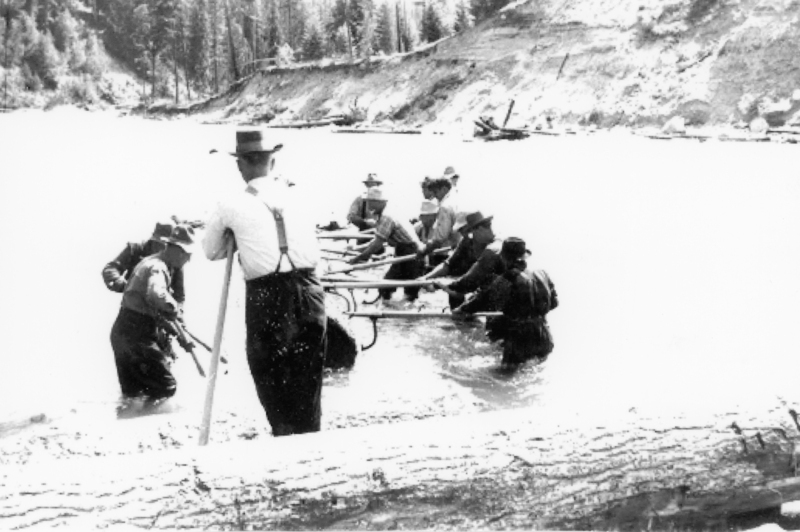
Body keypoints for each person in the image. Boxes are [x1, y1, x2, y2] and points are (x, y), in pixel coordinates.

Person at [203, 129, 327, 437]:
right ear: (273, 162)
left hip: (268, 295)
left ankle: (284, 437)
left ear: (240, 164)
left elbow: (211, 252)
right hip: (311, 290)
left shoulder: (229, 204)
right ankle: (309, 437)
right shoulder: (300, 195)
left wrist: (237, 235)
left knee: (269, 373)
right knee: (308, 376)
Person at [110, 225, 196, 400]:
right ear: (176, 250)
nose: (188, 260)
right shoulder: (158, 267)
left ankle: (134, 414)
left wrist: (181, 332)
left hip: (123, 331)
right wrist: (173, 309)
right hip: (137, 334)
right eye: (187, 255)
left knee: (133, 393)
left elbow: (161, 305)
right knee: (167, 386)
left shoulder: (154, 262)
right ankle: (151, 413)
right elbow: (157, 294)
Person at [455, 238, 558, 366]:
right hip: (544, 335)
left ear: (505, 258)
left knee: (505, 374)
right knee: (537, 370)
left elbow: (483, 300)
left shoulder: (508, 277)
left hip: (520, 338)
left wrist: (461, 310)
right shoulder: (542, 274)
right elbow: (554, 303)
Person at [349, 187, 425, 302]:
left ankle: (405, 310)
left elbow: (377, 244)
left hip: (412, 253)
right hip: (404, 251)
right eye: (368, 201)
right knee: (386, 288)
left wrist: (359, 257)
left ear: (381, 202)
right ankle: (392, 309)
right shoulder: (387, 213)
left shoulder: (386, 216)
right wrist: (357, 250)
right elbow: (377, 240)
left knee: (409, 291)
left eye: (372, 202)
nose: (369, 205)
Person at [427, 211, 504, 308]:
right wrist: (426, 278)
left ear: (478, 230)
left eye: (468, 232)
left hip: (494, 296)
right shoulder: (467, 241)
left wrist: (444, 285)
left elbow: (470, 280)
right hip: (476, 288)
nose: (466, 235)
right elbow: (449, 264)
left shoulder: (493, 249)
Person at [103, 220, 185, 305]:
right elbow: (111, 268)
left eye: (166, 246)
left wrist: (175, 308)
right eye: (159, 244)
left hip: (158, 307)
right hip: (132, 305)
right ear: (153, 240)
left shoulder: (175, 261)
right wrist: (121, 283)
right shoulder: (135, 250)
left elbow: (179, 296)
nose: (161, 249)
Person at [417, 176, 461, 259]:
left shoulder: (445, 206)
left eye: (435, 192)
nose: (434, 195)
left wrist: (424, 250)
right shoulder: (457, 199)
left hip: (457, 251)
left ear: (444, 189)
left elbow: (440, 237)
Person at [414, 199, 444, 272]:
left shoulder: (440, 228)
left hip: (438, 259)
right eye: (424, 216)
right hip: (422, 259)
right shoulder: (417, 228)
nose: (427, 219)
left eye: (430, 216)